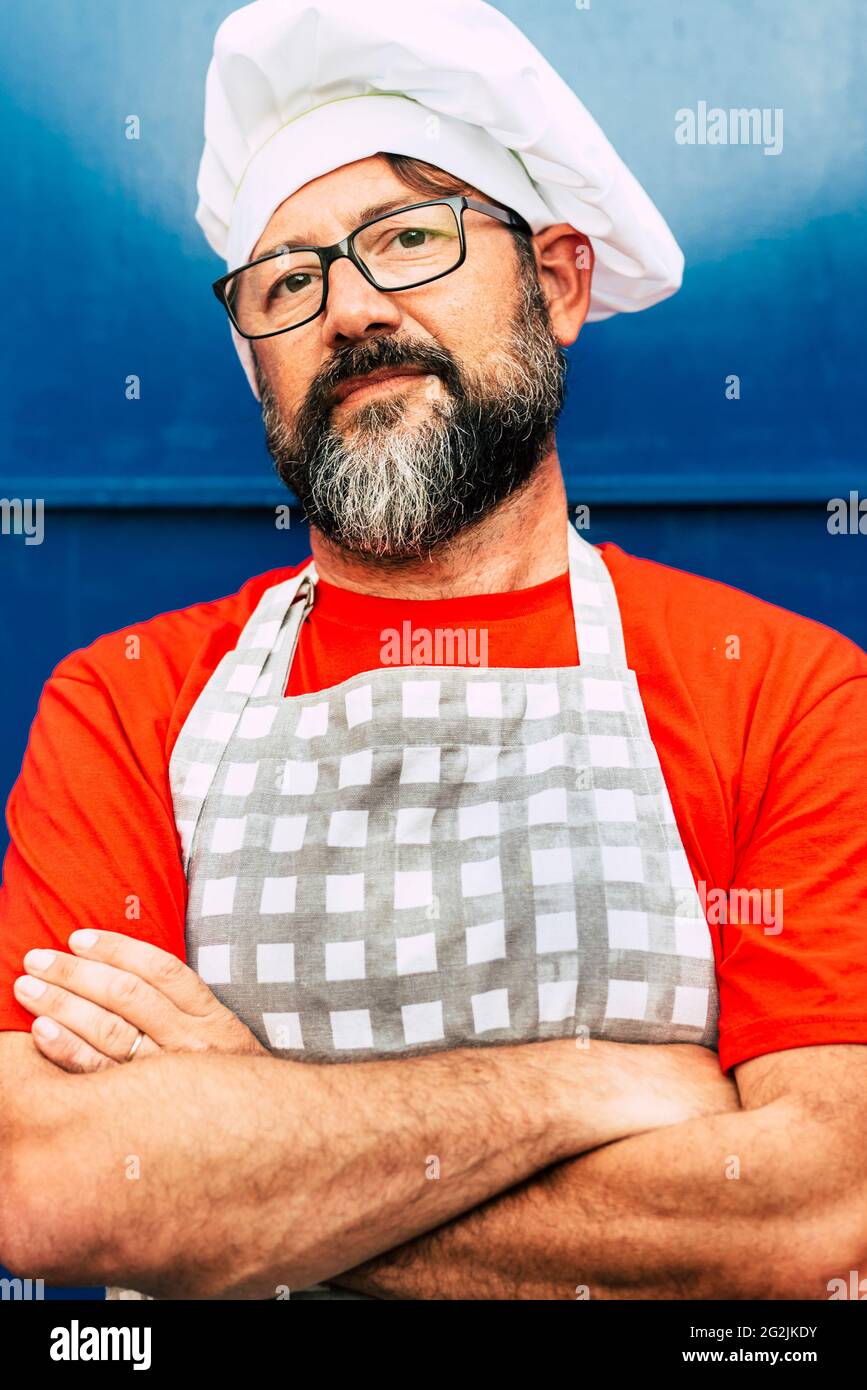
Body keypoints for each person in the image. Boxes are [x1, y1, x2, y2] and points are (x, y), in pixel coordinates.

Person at [1, 0, 866, 1301]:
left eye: (408, 236)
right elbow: (54, 1179)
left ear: (559, 282)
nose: (348, 310)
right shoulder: (127, 705)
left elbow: (818, 1199)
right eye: (287, 280)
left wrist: (243, 1134)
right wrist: (606, 1085)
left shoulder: (783, 689)